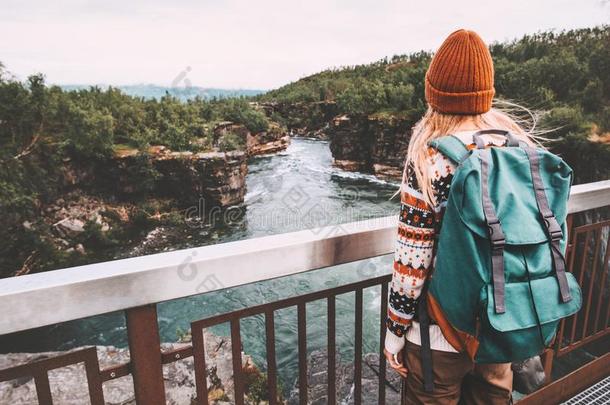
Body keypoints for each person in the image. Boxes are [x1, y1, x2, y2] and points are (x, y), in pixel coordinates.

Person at [383, 29, 537, 404]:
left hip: (438, 335)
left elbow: (412, 262)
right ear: (487, 92)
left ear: (432, 94)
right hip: (501, 327)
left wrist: (394, 334)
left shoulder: (429, 159)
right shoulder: (518, 149)